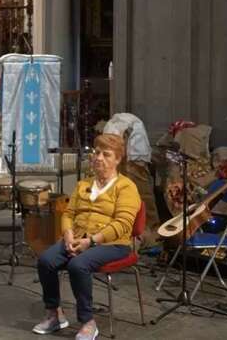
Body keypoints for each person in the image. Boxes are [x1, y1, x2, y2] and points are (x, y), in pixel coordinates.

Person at [33, 133, 141, 340]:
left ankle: (88, 321)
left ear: (118, 159)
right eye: (97, 152)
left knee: (78, 265)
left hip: (113, 244)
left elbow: (123, 224)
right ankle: (55, 314)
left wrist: (91, 241)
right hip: (78, 238)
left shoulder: (126, 187)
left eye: (106, 154)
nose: (99, 158)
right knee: (46, 260)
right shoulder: (83, 184)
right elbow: (68, 213)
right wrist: (68, 235)